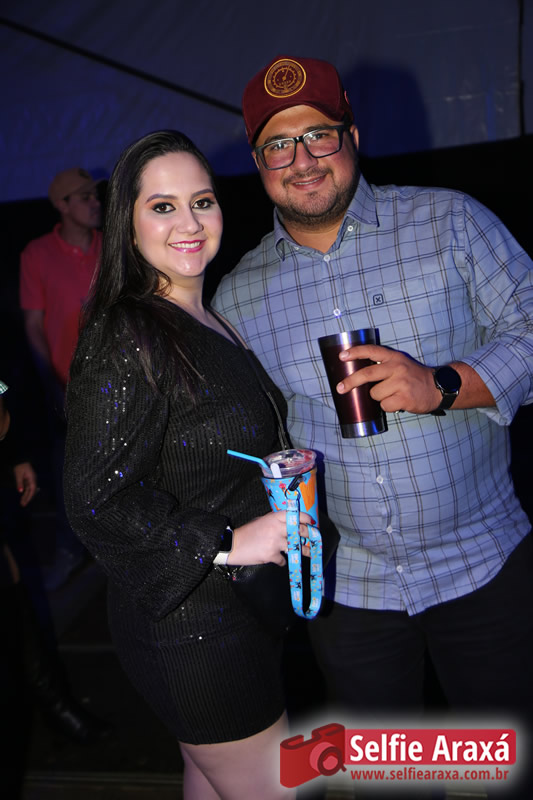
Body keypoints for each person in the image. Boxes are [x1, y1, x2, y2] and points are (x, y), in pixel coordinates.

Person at [213, 56, 533, 796]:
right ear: (259, 164)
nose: (301, 160)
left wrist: (444, 384)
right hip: (351, 589)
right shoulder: (238, 296)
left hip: (483, 562)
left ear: (352, 136)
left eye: (318, 135)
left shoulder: (449, 222)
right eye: (278, 145)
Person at [63, 129, 314, 800]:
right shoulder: (129, 331)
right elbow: (92, 499)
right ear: (127, 222)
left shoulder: (203, 316)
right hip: (194, 629)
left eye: (201, 201)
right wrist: (228, 541)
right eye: (163, 206)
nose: (190, 222)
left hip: (226, 612)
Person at [19, 167, 102, 589]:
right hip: (65, 386)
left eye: (95, 195)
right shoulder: (37, 254)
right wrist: (51, 381)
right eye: (84, 197)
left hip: (114, 382)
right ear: (62, 205)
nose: (95, 202)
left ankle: (116, 550)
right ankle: (70, 550)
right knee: (69, 471)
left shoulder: (110, 245)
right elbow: (33, 324)